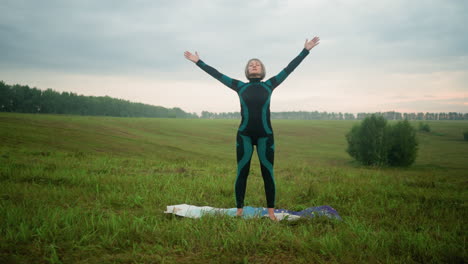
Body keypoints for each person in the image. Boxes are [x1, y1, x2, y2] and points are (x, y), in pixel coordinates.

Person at [184, 36, 320, 220]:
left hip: (266, 136)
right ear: (247, 71)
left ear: (262, 70)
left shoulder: (270, 85)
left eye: (257, 64)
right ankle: (239, 210)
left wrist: (305, 50)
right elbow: (217, 75)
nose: (254, 66)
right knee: (242, 172)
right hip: (244, 136)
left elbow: (289, 69)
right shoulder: (239, 86)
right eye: (251, 65)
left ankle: (271, 212)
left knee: (267, 173)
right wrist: (198, 62)